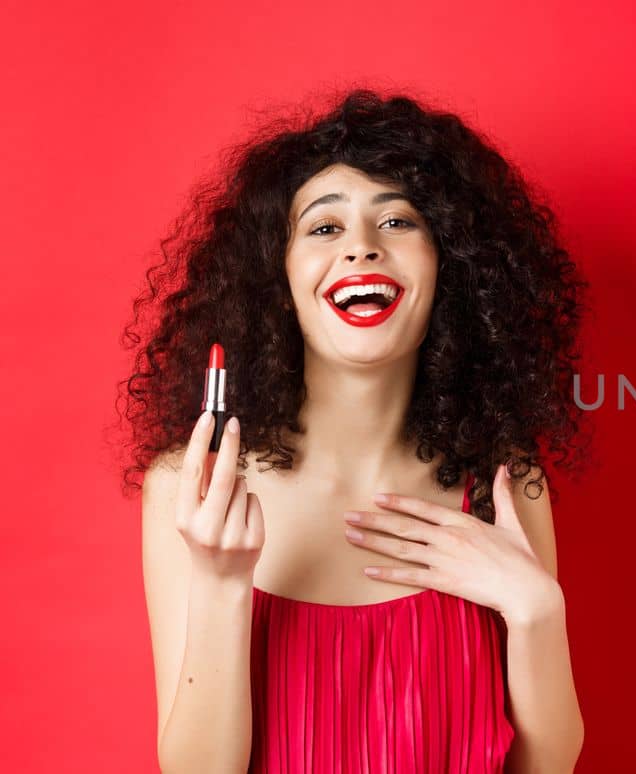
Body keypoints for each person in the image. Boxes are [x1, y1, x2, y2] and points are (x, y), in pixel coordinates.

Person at [117, 88, 587, 773]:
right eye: (325, 228)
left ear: (450, 268)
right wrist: (221, 580)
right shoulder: (194, 487)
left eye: (398, 222)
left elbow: (545, 769)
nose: (363, 248)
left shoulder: (504, 481)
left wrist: (537, 610)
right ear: (277, 278)